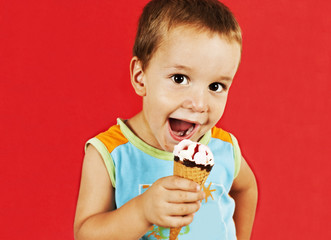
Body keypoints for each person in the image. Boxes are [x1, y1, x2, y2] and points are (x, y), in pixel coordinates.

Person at [74, 0, 258, 239]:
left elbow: (247, 188)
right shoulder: (110, 153)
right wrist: (141, 212)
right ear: (141, 78)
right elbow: (85, 234)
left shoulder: (224, 147)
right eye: (179, 78)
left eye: (216, 86)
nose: (199, 104)